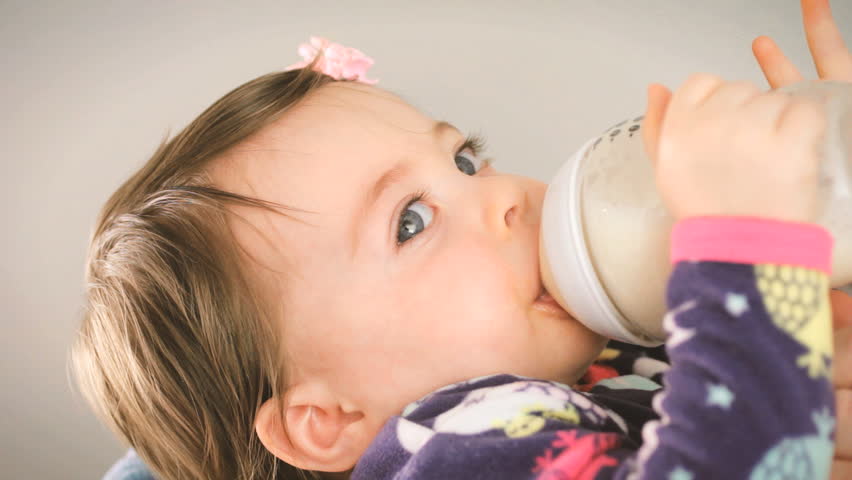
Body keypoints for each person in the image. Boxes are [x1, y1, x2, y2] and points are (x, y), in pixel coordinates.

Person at [70, 0, 852, 478]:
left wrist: (820, 213)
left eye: (464, 160)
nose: (504, 198)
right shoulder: (454, 449)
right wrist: (749, 252)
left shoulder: (593, 355)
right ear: (331, 418)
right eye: (410, 220)